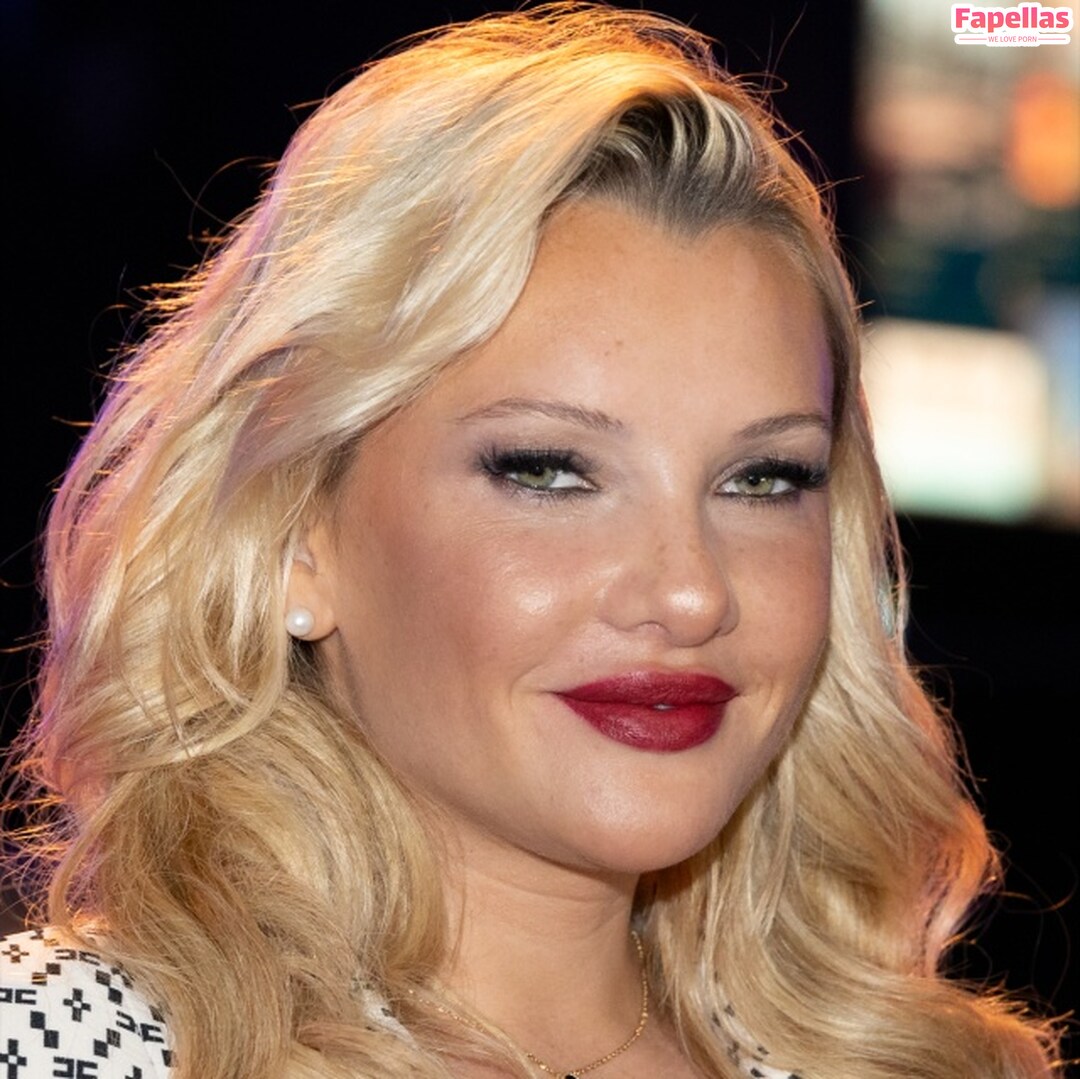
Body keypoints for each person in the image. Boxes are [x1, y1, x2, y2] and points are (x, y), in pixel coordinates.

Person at [0, 5, 1061, 1077]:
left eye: (762, 478)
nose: (691, 592)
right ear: (295, 528)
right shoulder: (69, 1043)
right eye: (549, 470)